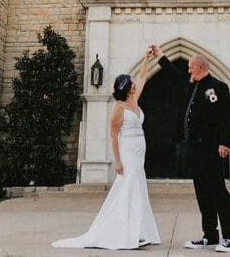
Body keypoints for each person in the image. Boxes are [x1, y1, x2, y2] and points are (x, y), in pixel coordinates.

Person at [52, 49, 160, 250]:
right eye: (132, 82)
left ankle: (138, 231)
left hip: (139, 150)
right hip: (128, 151)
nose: (135, 83)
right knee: (129, 188)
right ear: (127, 88)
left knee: (137, 188)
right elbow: (113, 134)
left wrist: (146, 59)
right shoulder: (119, 107)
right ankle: (126, 233)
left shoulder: (134, 101)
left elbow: (143, 77)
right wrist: (117, 162)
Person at [149, 44, 230, 253]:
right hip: (194, 149)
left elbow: (229, 115)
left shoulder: (217, 87)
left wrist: (225, 142)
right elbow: (174, 75)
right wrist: (161, 56)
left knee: (218, 192)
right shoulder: (191, 85)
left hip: (211, 149)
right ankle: (210, 235)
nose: (188, 70)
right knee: (202, 192)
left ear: (199, 67)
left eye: (190, 67)